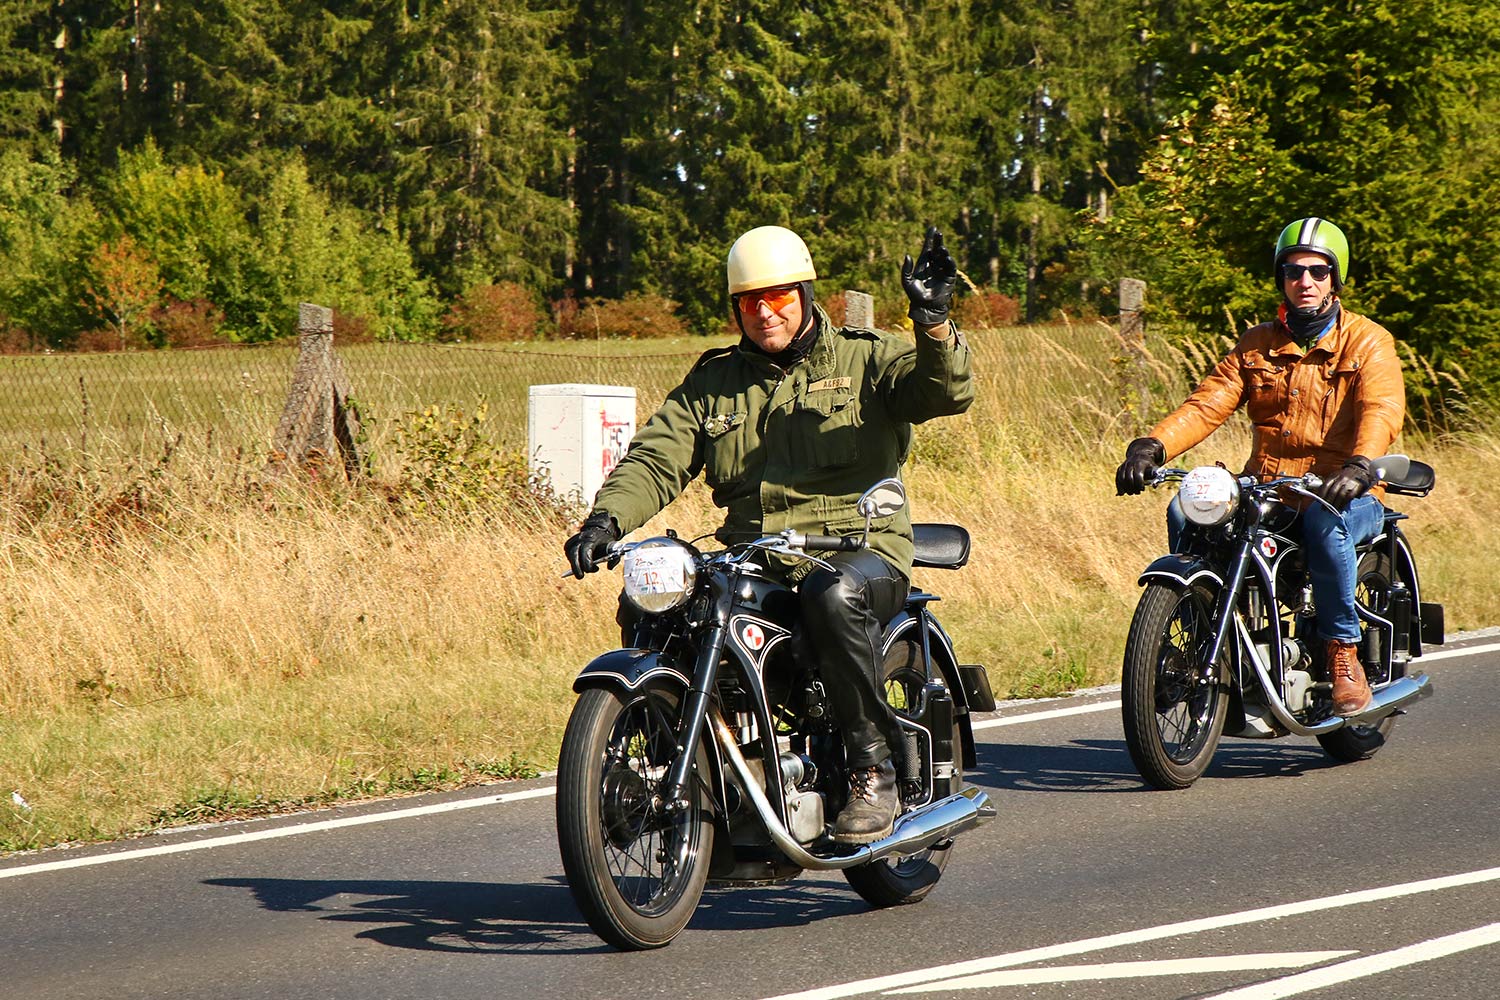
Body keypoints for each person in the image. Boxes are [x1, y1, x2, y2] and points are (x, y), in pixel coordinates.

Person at [565, 224, 974, 844]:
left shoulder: (866, 359)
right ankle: (664, 765)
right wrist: (607, 520)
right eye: (750, 301)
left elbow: (944, 392)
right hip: (753, 556)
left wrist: (935, 321)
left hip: (856, 550)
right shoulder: (713, 383)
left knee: (829, 595)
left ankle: (872, 766)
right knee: (661, 598)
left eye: (778, 296)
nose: (764, 311)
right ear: (735, 307)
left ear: (805, 294)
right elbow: (656, 458)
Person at [1115, 217, 1405, 717]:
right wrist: (1152, 446)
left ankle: (1343, 654)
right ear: (1281, 277)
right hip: (1268, 489)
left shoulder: (1368, 342)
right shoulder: (1257, 344)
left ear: (1335, 278)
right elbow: (1208, 404)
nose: (1305, 282)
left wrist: (1361, 466)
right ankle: (1206, 629)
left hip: (1343, 493)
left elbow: (1382, 409)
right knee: (1187, 511)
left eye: (1318, 271)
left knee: (1324, 525)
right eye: (1294, 271)